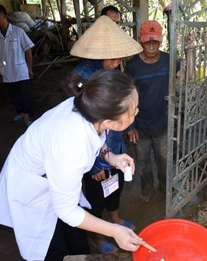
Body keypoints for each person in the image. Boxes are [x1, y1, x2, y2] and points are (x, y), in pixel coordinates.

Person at [0, 69, 143, 261]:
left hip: (55, 173)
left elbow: (97, 135)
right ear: (110, 121)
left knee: (76, 237)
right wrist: (115, 230)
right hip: (32, 187)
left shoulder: (90, 107)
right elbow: (66, 210)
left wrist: (111, 157)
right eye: (133, 111)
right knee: (53, 247)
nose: (137, 112)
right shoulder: (70, 145)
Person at [69, 15, 142, 254]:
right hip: (92, 154)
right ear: (97, 54)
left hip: (113, 144)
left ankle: (115, 217)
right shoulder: (80, 78)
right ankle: (96, 236)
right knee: (94, 196)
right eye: (113, 56)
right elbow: (78, 128)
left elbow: (121, 106)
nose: (118, 61)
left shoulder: (112, 67)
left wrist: (128, 127)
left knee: (117, 183)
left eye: (120, 56)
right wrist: (93, 166)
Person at [125, 20, 180, 203]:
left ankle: (165, 188)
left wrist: (190, 52)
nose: (151, 46)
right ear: (140, 41)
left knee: (164, 159)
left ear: (161, 40)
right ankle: (147, 188)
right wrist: (130, 125)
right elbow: (127, 96)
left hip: (163, 122)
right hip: (140, 125)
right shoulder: (132, 66)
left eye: (155, 41)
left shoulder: (169, 60)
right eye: (147, 41)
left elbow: (188, 78)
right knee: (143, 161)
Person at [0, 4, 34, 127]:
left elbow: (28, 50)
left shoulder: (18, 31)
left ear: (4, 15)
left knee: (24, 94)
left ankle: (27, 118)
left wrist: (29, 68)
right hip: (6, 70)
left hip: (21, 70)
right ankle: (19, 112)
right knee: (14, 94)